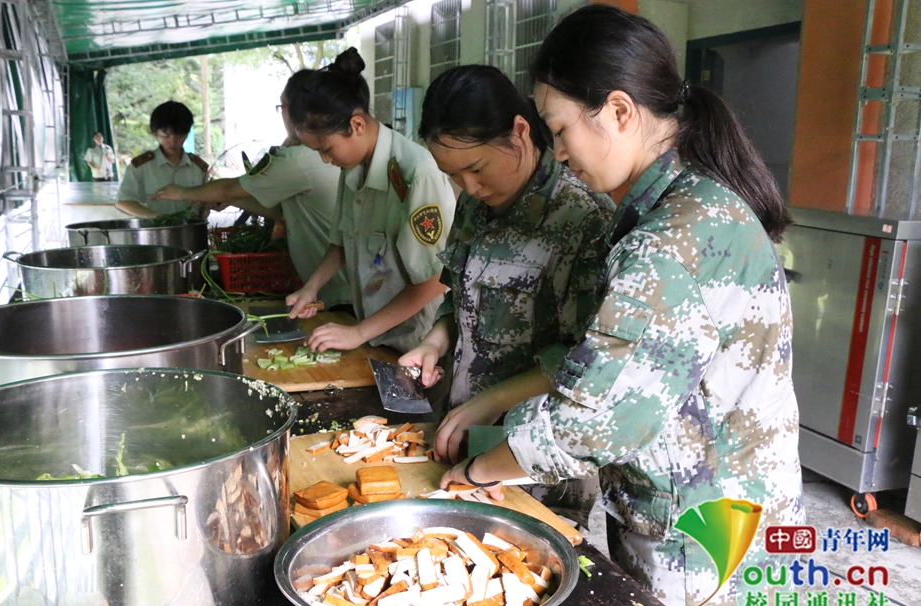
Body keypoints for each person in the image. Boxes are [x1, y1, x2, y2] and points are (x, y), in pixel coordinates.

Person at [439, 6, 803, 606]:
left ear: (619, 112)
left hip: (701, 535)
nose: (559, 152)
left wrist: (478, 470)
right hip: (716, 509)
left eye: (560, 130)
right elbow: (608, 359)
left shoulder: (667, 238)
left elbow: (599, 422)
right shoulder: (685, 199)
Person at [398, 65, 614, 521]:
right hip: (466, 431)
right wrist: (435, 342)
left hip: (536, 455)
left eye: (476, 168)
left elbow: (591, 357)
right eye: (453, 175)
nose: (469, 187)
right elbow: (461, 296)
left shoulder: (583, 217)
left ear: (519, 132)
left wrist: (494, 400)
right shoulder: (476, 204)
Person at [284, 48, 456, 354]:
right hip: (376, 336)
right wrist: (310, 288)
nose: (325, 160)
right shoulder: (352, 168)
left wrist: (357, 333)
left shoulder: (416, 173)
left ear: (357, 125)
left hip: (418, 344)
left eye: (326, 148)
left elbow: (435, 280)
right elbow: (341, 243)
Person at [151, 83, 351, 309]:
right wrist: (232, 200)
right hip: (328, 286)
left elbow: (230, 187)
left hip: (341, 288)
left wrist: (181, 193)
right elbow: (282, 212)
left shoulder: (297, 158)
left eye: (281, 106)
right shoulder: (303, 155)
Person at [116, 101, 209, 218]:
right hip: (152, 233)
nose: (173, 141)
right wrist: (159, 218)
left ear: (187, 134)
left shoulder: (198, 168)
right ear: (155, 133)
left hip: (190, 232)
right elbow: (123, 202)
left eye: (179, 135)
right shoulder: (141, 167)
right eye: (166, 135)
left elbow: (206, 202)